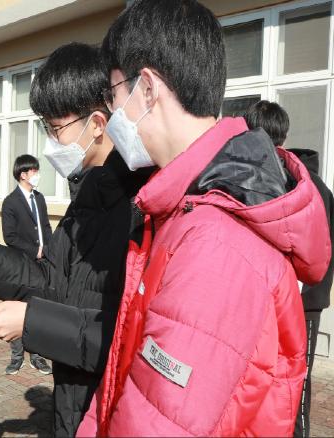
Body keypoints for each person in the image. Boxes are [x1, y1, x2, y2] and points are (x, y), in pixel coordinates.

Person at [72, 1, 331, 436]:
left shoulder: (215, 243)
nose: (113, 114)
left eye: (114, 95)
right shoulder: (187, 205)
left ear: (147, 89)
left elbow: (160, 424)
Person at [0, 42, 154, 436]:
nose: (50, 143)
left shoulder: (142, 207)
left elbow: (127, 338)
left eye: (55, 129)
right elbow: (52, 281)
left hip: (110, 413)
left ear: (98, 124)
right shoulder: (86, 198)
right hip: (74, 404)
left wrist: (33, 322)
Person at [244, 100, 334, 438]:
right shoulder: (260, 177)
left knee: (292, 385)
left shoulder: (309, 185)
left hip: (301, 302)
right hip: (281, 300)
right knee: (278, 383)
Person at [1, 154, 52, 375]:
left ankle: (37, 356)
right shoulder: (10, 202)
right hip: (21, 264)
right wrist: (35, 250)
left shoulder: (39, 198)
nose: (37, 174)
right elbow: (10, 237)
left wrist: (49, 250)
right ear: (23, 174)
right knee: (18, 309)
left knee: (38, 310)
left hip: (43, 263)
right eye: (34, 171)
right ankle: (16, 357)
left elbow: (46, 227)